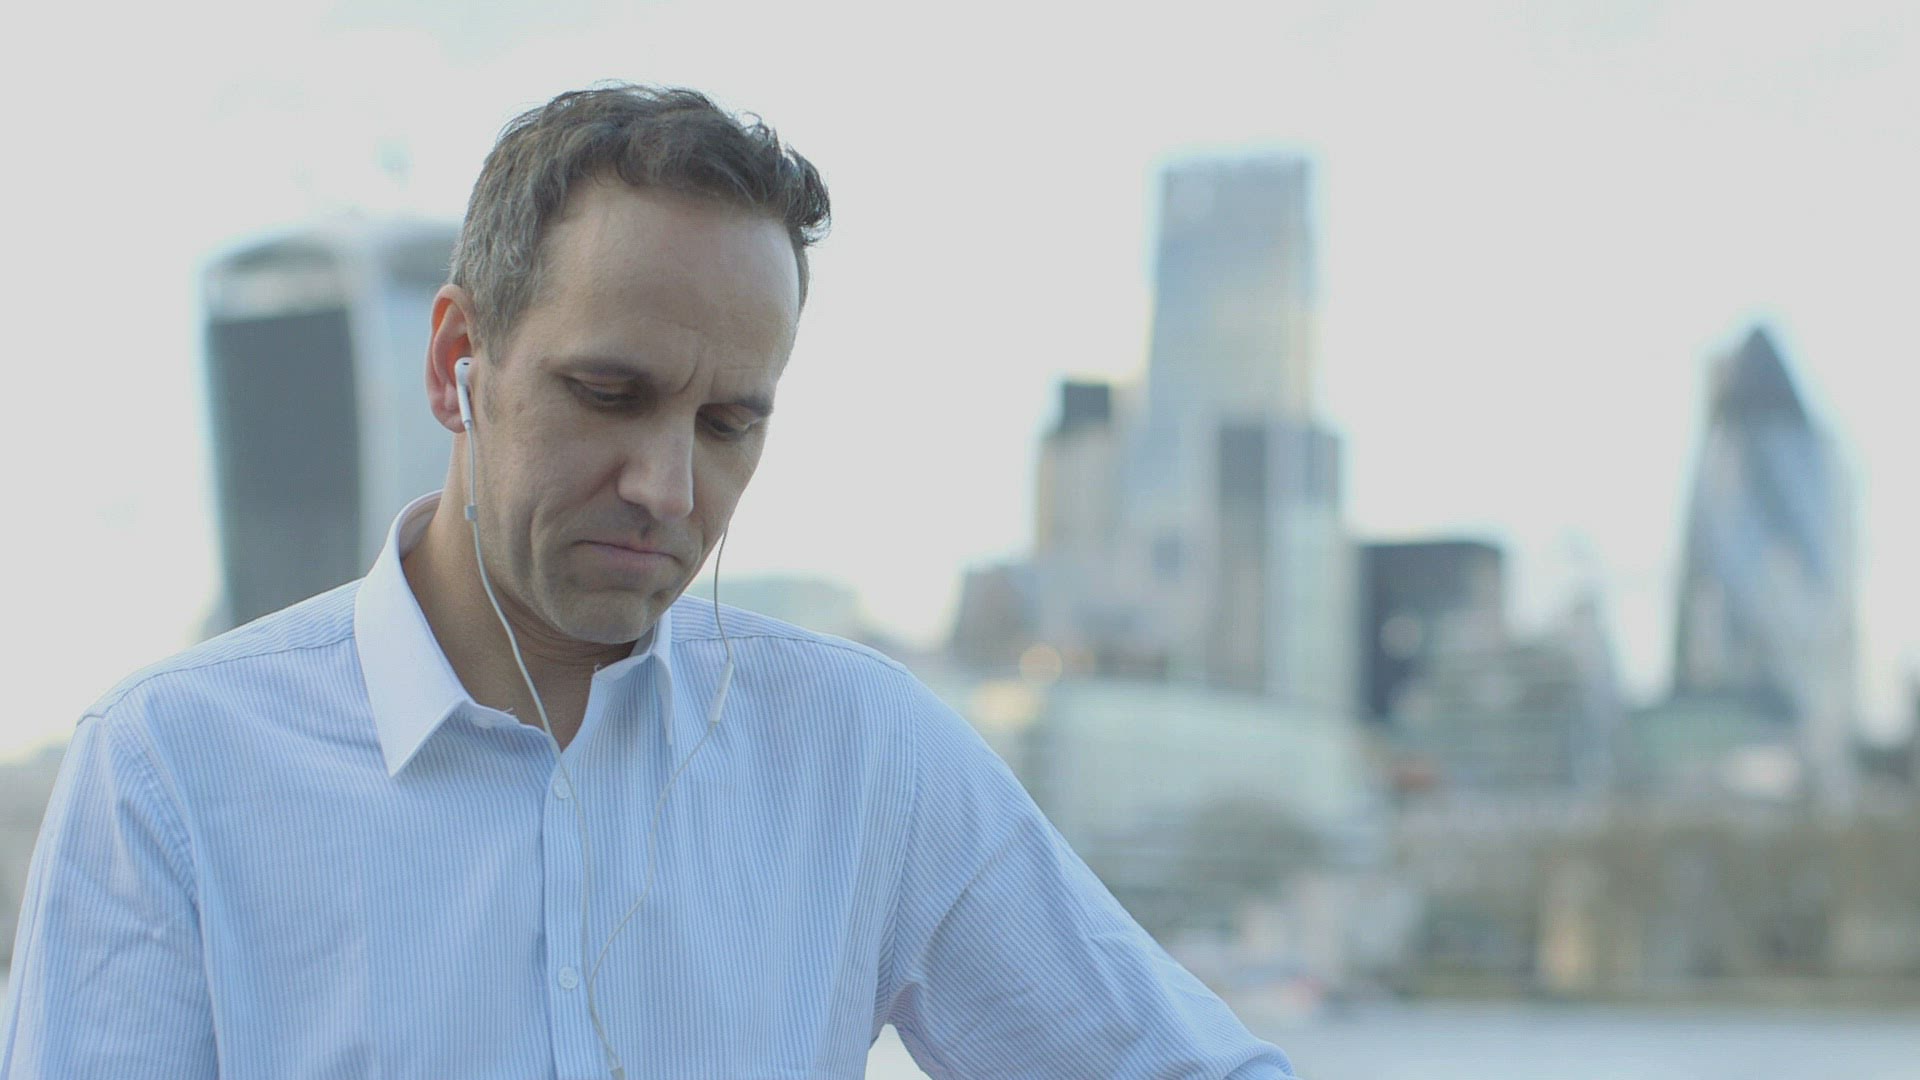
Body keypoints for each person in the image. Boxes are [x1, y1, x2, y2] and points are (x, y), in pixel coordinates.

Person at [1, 84, 1295, 1078]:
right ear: (457, 361)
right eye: (609, 394)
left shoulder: (862, 751)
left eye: (729, 423)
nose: (669, 489)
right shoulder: (167, 769)